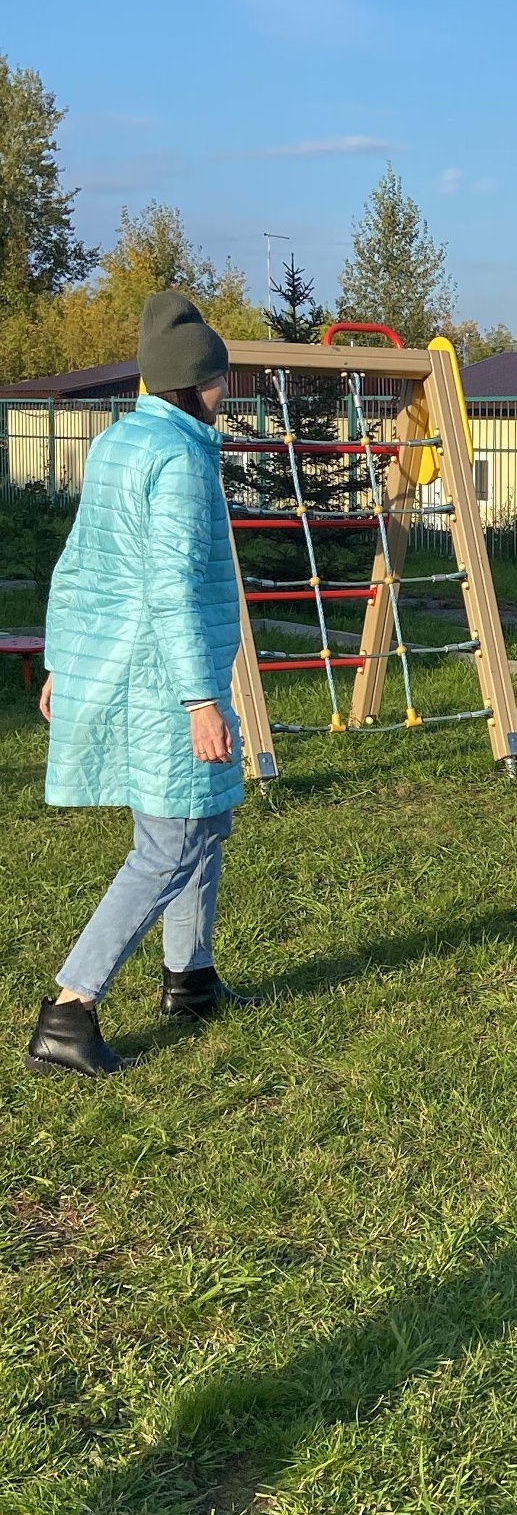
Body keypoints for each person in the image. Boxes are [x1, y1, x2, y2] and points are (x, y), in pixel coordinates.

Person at [25, 290, 257, 1078]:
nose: (228, 393)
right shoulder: (183, 459)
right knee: (170, 841)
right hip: (164, 676)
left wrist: (63, 658)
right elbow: (175, 587)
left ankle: (189, 979)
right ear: (197, 383)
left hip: (128, 663)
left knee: (205, 818)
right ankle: (69, 1009)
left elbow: (80, 564)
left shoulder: (119, 443)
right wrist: (200, 700)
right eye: (221, 379)